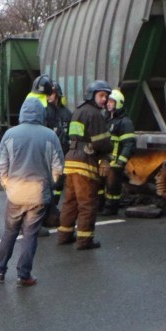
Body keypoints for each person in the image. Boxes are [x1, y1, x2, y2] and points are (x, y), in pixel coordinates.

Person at [0, 97, 64, 287]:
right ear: (41, 114)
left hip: (15, 193)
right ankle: (24, 275)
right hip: (38, 194)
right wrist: (50, 185)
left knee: (9, 232)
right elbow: (58, 167)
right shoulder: (50, 136)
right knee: (30, 235)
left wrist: (8, 185)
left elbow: (1, 165)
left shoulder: (10, 134)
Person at [58, 80, 112, 250]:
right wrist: (106, 157)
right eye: (102, 95)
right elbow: (101, 142)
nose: (104, 99)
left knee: (70, 201)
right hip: (85, 162)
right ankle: (84, 240)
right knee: (87, 202)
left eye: (107, 96)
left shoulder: (78, 111)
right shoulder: (95, 114)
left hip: (71, 160)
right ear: (92, 95)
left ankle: (64, 235)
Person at [102, 89, 136, 216]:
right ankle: (103, 206)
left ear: (119, 103)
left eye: (112, 102)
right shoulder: (107, 119)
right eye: (108, 102)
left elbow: (129, 143)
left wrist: (121, 160)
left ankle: (111, 208)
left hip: (115, 161)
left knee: (113, 187)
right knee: (102, 185)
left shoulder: (125, 122)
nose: (108, 104)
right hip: (106, 159)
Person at [43, 82, 72, 225]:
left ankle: (52, 210)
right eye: (47, 94)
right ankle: (47, 213)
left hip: (63, 154)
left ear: (57, 94)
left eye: (52, 93)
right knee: (49, 184)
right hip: (49, 155)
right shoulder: (44, 112)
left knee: (59, 184)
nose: (49, 96)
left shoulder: (66, 113)